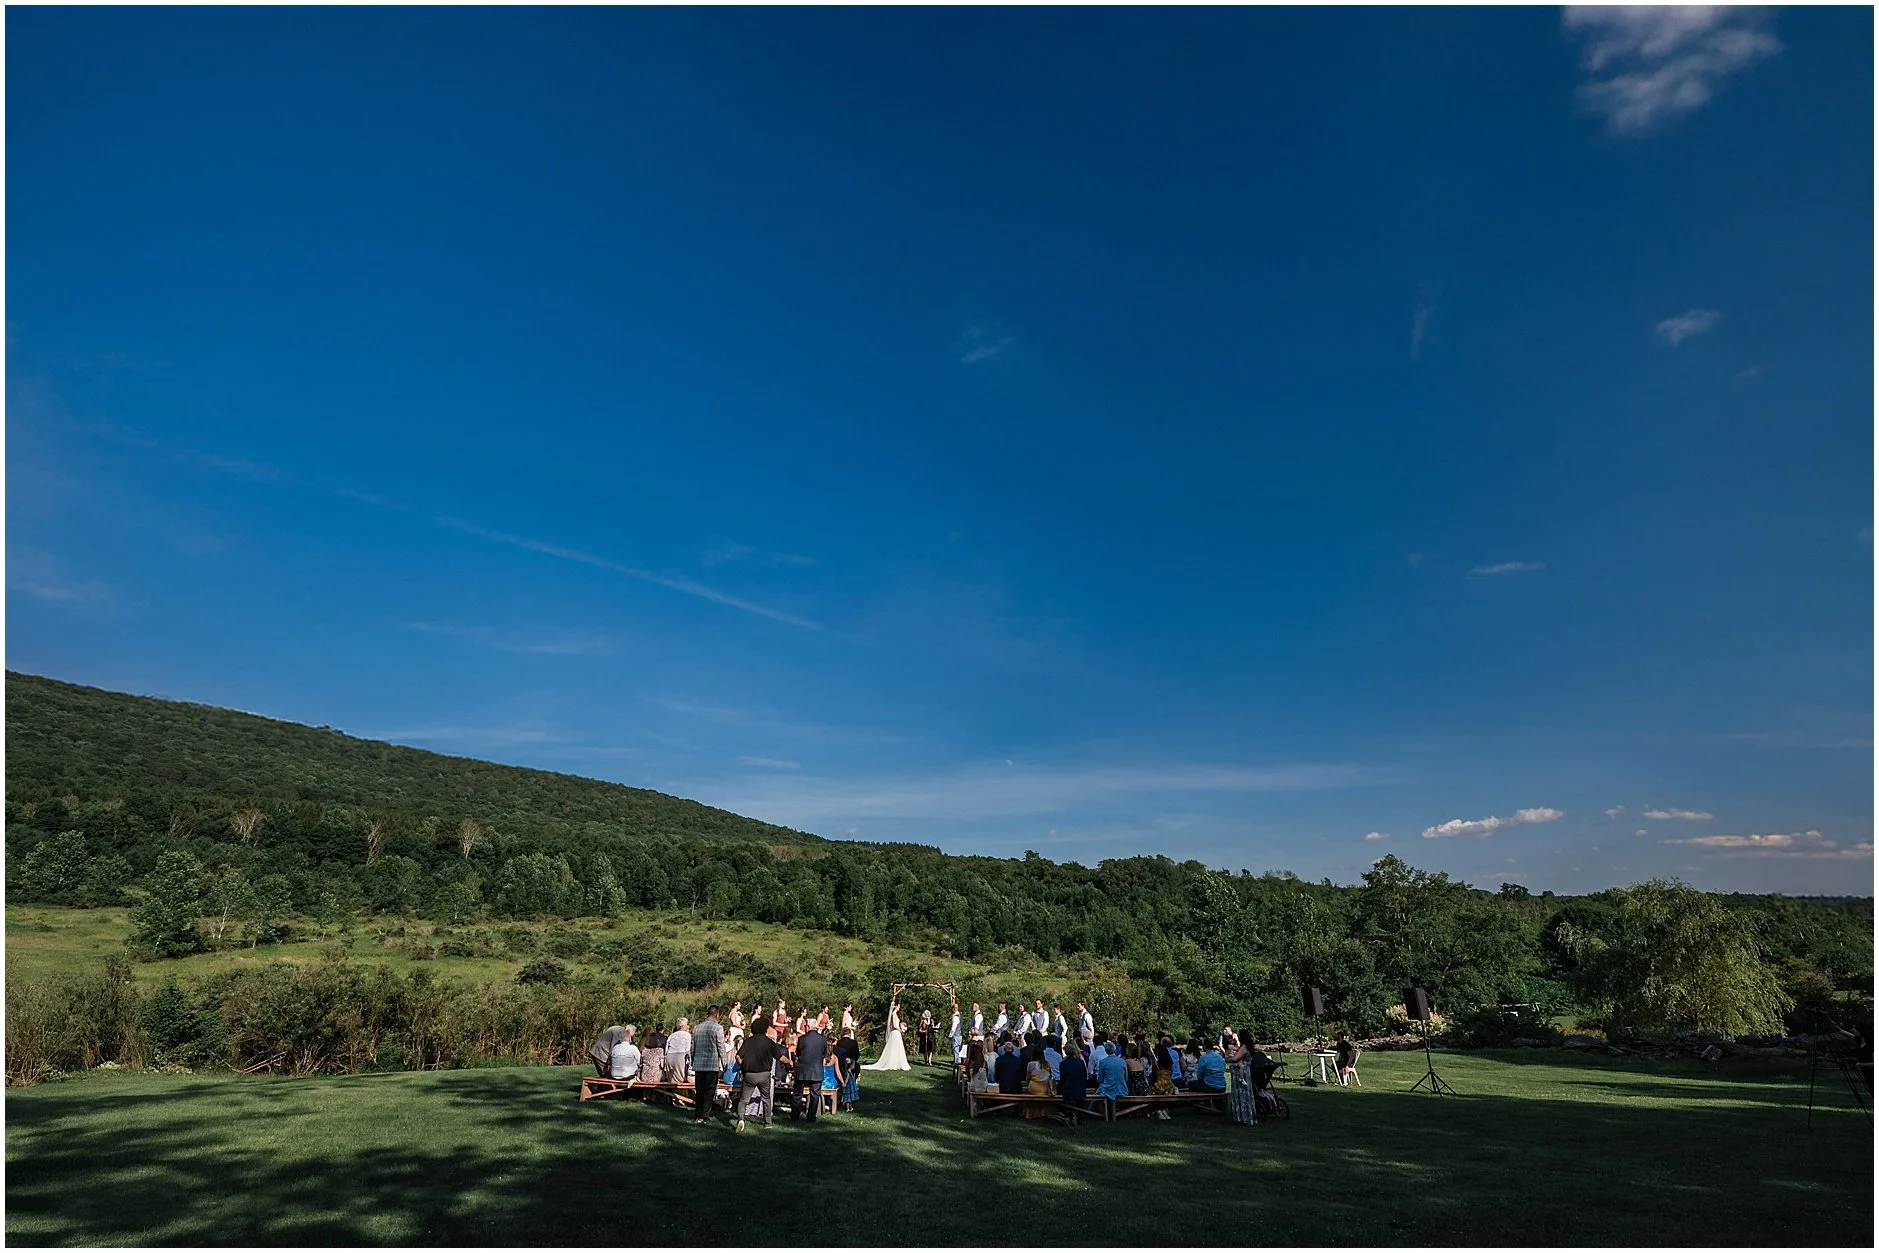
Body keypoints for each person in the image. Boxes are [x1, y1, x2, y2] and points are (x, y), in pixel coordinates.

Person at [736, 1019, 781, 1131]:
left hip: (749, 1074)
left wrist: (743, 1064)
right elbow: (779, 1057)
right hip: (764, 1075)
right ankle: (768, 1122)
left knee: (743, 1100)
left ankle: (741, 1119)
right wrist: (789, 1062)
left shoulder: (748, 1041)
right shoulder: (770, 1042)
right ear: (765, 1029)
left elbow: (738, 1056)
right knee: (766, 1099)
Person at [690, 1005, 728, 1125]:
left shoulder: (697, 1028)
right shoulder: (718, 1028)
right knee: (709, 1090)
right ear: (717, 1014)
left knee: (699, 1090)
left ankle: (697, 1114)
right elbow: (721, 1047)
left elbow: (692, 1047)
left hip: (699, 1064)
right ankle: (704, 1115)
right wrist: (724, 1062)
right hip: (711, 1064)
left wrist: (693, 1060)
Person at [793, 1021, 831, 1122]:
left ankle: (795, 1116)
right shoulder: (823, 1039)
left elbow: (798, 1053)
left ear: (808, 1027)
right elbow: (824, 1053)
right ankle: (811, 1116)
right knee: (815, 1095)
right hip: (816, 1070)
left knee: (798, 1094)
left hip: (803, 1070)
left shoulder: (802, 1039)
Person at [865, 999, 912, 1070]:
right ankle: (892, 1062)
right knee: (894, 1047)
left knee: (897, 1048)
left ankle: (896, 1062)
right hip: (895, 1032)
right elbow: (894, 1025)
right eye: (898, 1006)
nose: (899, 1008)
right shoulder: (893, 1014)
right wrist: (900, 1030)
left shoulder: (895, 1014)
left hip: (897, 1032)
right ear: (896, 1006)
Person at [1226, 1037, 1259, 1126]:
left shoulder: (1244, 1048)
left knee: (1242, 1094)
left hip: (1242, 1072)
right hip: (1246, 1071)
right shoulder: (1248, 1048)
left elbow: (1235, 1058)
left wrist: (1228, 1059)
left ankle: (1243, 1117)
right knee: (1247, 1094)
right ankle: (1247, 1117)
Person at [1057, 1041, 1090, 1121]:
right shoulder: (1081, 1062)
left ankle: (1068, 1114)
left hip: (1068, 1091)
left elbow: (1063, 1079)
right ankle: (1079, 1115)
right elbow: (1084, 1077)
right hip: (1080, 1090)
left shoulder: (1063, 1064)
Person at [833, 1027, 861, 1111]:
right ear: (849, 1034)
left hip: (841, 1065)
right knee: (851, 1081)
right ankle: (850, 1099)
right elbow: (857, 1054)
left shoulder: (839, 1042)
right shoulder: (854, 1042)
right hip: (851, 1065)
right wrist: (853, 1061)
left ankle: (843, 1098)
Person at [1024, 1043, 1053, 1117]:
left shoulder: (1031, 1064)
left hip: (1034, 1087)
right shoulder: (1047, 1064)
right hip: (1044, 1088)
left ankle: (1032, 1113)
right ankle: (1043, 1113)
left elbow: (1028, 1078)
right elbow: (1050, 1076)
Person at [664, 1018, 693, 1085]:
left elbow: (666, 1049)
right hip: (680, 1056)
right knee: (681, 1079)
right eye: (686, 1025)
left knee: (672, 1079)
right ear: (682, 1026)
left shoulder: (672, 1035)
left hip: (670, 1056)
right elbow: (688, 1049)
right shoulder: (687, 1035)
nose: (688, 1026)